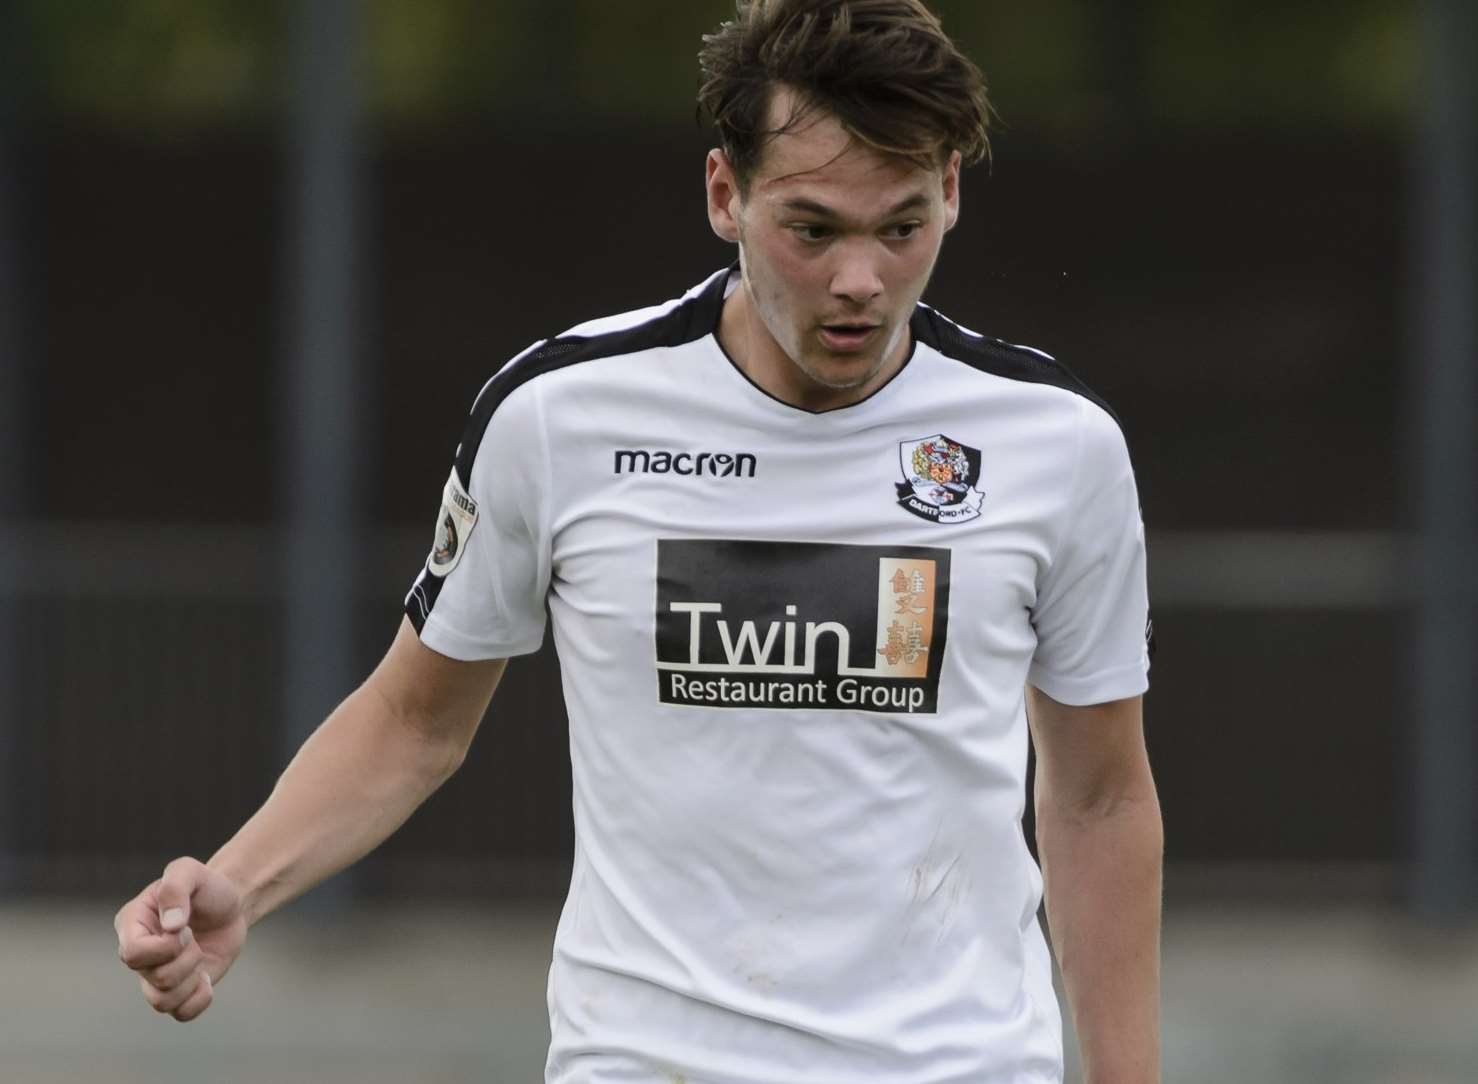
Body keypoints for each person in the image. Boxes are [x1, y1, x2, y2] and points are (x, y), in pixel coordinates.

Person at [115, 1, 1163, 1081]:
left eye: (900, 227)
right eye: (811, 229)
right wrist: (241, 879)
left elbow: (1097, 795)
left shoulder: (1053, 443)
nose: (860, 279)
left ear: (948, 193)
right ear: (726, 195)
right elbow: (410, 720)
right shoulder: (559, 415)